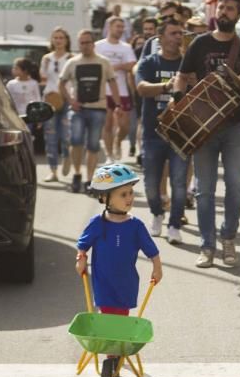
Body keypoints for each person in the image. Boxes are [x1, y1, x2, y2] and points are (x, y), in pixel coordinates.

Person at [172, 0, 240, 268]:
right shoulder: (200, 43)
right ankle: (207, 245)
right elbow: (181, 77)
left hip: (236, 126)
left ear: (238, 14)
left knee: (237, 187)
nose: (224, 12)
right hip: (204, 127)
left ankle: (228, 238)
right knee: (204, 190)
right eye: (221, 7)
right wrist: (179, 100)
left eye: (230, 8)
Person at [75, 164, 163, 317]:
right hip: (104, 284)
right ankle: (110, 341)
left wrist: (157, 267)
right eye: (123, 194)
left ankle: (116, 342)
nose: (129, 198)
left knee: (121, 317)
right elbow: (83, 245)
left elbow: (152, 251)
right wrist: (81, 258)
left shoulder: (136, 226)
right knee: (107, 316)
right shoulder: (97, 223)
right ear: (105, 197)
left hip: (125, 284)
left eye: (131, 193)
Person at [136, 18, 188, 245]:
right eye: (173, 33)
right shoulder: (149, 62)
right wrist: (168, 86)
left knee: (178, 182)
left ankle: (175, 224)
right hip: (152, 133)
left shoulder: (187, 63)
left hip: (181, 134)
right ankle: (157, 213)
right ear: (161, 37)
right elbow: (141, 88)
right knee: (150, 182)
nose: (178, 37)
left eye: (180, 33)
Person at [59, 29, 120, 194]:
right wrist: (71, 101)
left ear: (93, 43)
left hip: (98, 109)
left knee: (93, 145)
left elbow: (113, 82)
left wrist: (118, 104)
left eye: (88, 42)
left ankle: (90, 179)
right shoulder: (72, 62)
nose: (85, 46)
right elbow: (62, 84)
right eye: (82, 43)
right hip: (78, 109)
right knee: (76, 141)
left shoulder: (103, 62)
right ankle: (77, 173)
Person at [96, 17, 137, 161]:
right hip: (104, 91)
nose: (120, 29)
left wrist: (117, 67)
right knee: (107, 124)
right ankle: (109, 155)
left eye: (122, 27)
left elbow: (132, 65)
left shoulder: (125, 47)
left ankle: (118, 142)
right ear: (109, 27)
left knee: (125, 125)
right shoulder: (99, 46)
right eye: (117, 26)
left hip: (122, 91)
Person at [40, 27, 75, 183]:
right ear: (52, 40)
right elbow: (43, 78)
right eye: (55, 37)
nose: (58, 40)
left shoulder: (72, 58)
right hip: (50, 100)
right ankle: (53, 170)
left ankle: (67, 156)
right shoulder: (46, 58)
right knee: (51, 137)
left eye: (61, 37)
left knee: (66, 135)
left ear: (66, 40)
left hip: (67, 99)